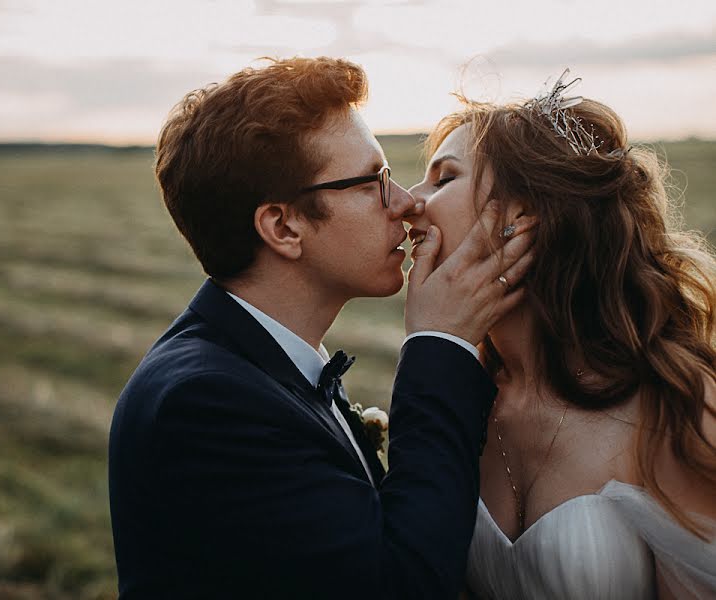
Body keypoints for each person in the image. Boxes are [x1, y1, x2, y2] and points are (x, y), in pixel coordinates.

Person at [107, 57, 535, 599]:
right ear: (283, 226)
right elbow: (403, 583)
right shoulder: (207, 403)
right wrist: (439, 345)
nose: (405, 203)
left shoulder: (257, 362)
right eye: (373, 182)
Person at [407, 72, 716, 599]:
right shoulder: (459, 399)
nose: (409, 201)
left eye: (443, 179)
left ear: (522, 217)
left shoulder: (677, 404)